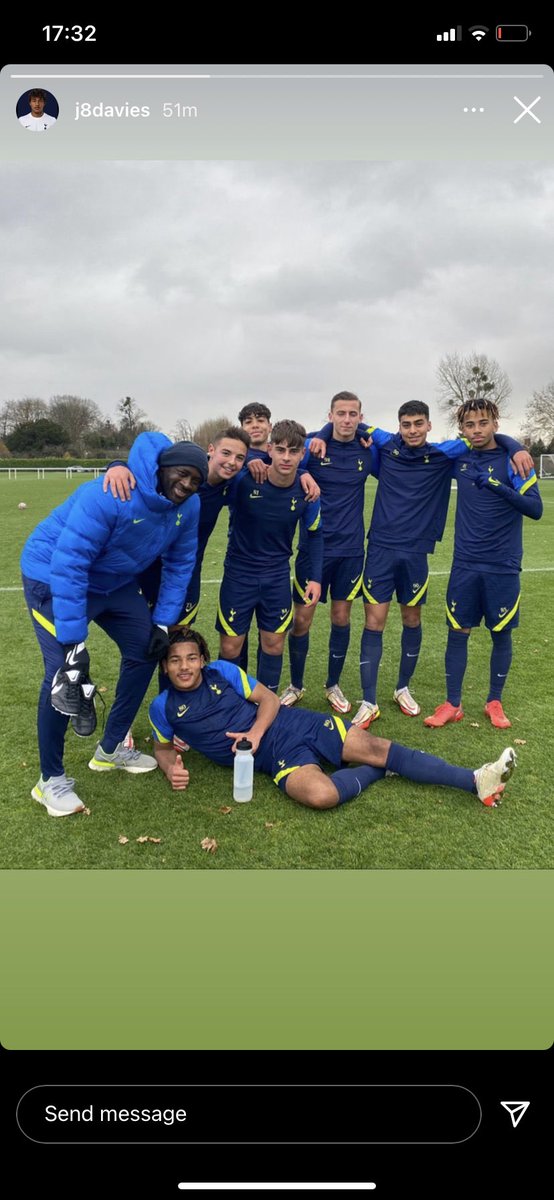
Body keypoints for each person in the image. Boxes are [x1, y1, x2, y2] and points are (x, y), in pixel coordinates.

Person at [313, 401, 533, 729]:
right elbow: (351, 424)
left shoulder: (446, 454)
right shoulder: (386, 445)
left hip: (417, 553)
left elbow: (485, 437)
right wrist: (320, 434)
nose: (412, 430)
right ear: (398, 426)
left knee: (411, 619)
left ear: (429, 426)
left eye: (418, 424)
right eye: (406, 424)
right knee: (374, 623)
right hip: (381, 550)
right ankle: (370, 701)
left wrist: (515, 445)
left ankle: (402, 688)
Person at [21, 434, 207, 816]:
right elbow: (70, 563)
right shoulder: (109, 493)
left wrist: (161, 623)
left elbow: (180, 563)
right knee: (63, 672)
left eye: (195, 480)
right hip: (52, 575)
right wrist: (74, 640)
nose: (186, 484)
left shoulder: (189, 507)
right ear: (161, 468)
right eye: (182, 474)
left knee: (145, 650)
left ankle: (109, 751)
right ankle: (49, 781)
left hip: (113, 580)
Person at [149, 629, 517, 810]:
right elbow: (162, 749)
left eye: (192, 658)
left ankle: (475, 780)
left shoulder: (222, 672)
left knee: (375, 746)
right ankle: (382, 769)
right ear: (165, 666)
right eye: (176, 660)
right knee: (321, 795)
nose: (185, 666)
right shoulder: (162, 708)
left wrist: (255, 732)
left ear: (202, 659)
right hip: (269, 757)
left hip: (290, 723)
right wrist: (170, 769)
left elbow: (269, 699)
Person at [424, 398, 542, 729]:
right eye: (470, 424)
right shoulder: (459, 458)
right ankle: (452, 703)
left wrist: (495, 484)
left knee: (500, 633)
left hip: (502, 564)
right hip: (465, 563)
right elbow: (423, 449)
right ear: (462, 428)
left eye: (484, 423)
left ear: (496, 423)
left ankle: (494, 701)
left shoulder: (513, 461)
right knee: (457, 631)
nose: (477, 430)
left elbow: (535, 509)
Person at [279, 390, 378, 714]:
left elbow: (398, 452)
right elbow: (282, 458)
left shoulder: (369, 452)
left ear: (360, 418)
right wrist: (306, 469)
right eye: (341, 413)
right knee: (302, 620)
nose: (347, 420)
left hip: (351, 551)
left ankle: (333, 684)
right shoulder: (313, 447)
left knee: (341, 616)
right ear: (330, 415)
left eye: (353, 414)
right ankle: (295, 684)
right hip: (313, 549)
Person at [216, 419, 323, 694]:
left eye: (294, 451)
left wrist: (316, 578)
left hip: (276, 577)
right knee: (230, 646)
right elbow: (215, 473)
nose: (286, 457)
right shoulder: (245, 480)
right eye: (281, 450)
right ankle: (228, 708)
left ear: (303, 454)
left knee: (273, 644)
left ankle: (267, 709)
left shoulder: (308, 492)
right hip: (239, 574)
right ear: (270, 449)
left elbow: (315, 535)